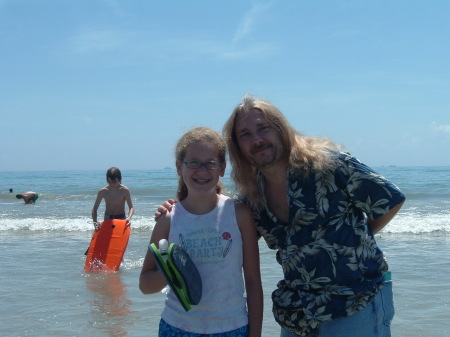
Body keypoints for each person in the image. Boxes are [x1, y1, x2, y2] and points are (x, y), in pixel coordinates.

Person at [157, 96, 406, 337]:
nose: (257, 139)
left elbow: (390, 200)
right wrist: (174, 211)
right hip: (298, 310)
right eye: (245, 135)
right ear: (238, 147)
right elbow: (218, 227)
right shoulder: (252, 198)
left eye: (263, 128)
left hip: (356, 299)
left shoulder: (329, 165)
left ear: (280, 129)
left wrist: (357, 237)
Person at [140, 127, 263, 337]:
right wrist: (172, 272)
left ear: (222, 168)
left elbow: (253, 282)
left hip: (232, 327)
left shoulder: (239, 214)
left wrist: (255, 334)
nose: (202, 171)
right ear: (180, 167)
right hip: (177, 327)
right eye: (193, 163)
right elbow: (145, 285)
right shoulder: (168, 219)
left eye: (211, 163)